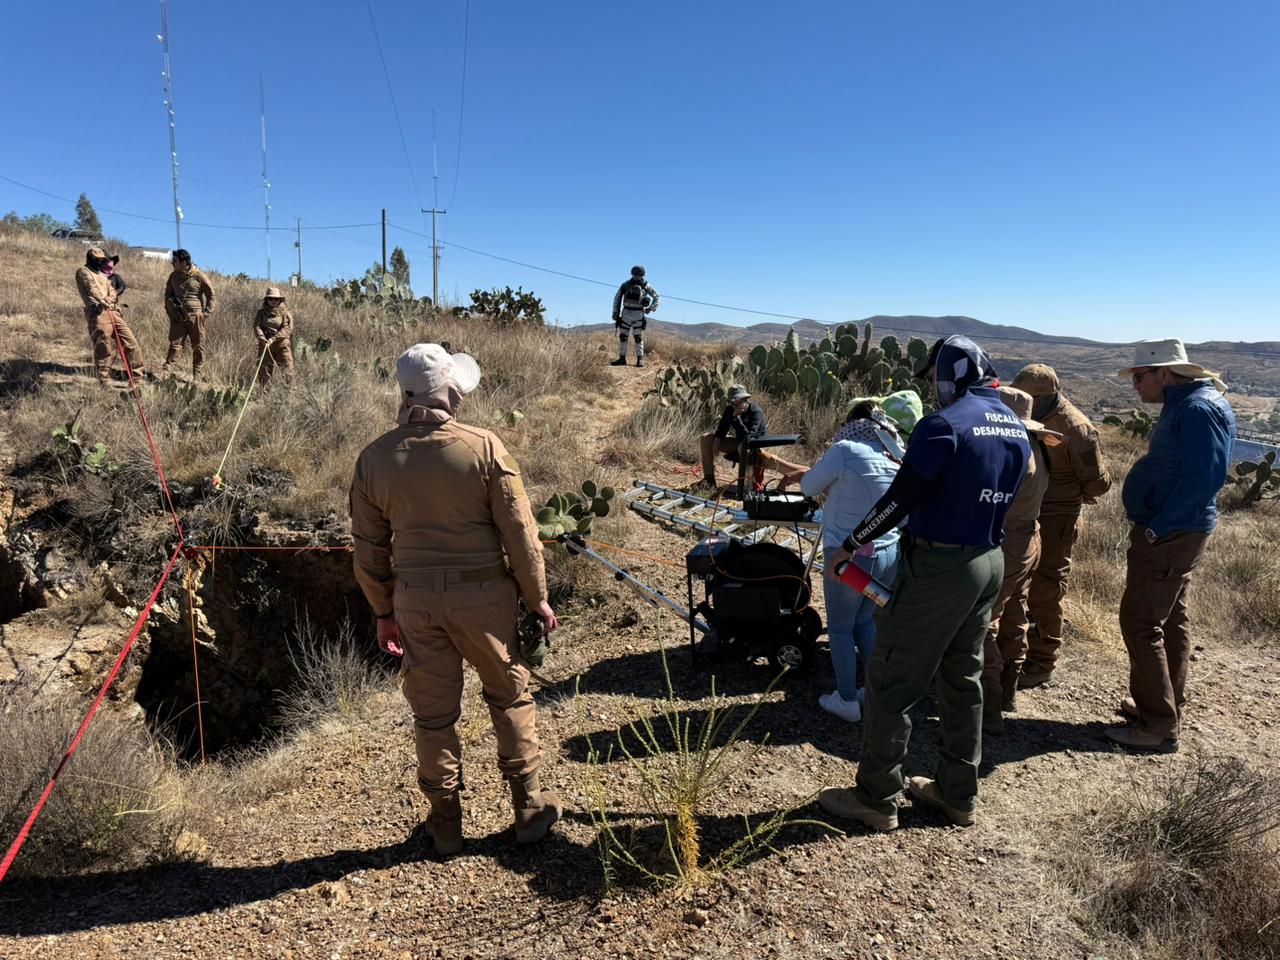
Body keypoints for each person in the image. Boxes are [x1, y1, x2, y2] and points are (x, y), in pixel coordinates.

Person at [349, 343, 562, 855]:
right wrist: (537, 598)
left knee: (433, 716)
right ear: (447, 391)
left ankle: (445, 823)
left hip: (415, 602)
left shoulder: (374, 458)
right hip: (484, 597)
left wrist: (383, 611)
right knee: (509, 697)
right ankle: (529, 810)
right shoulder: (484, 447)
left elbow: (368, 547)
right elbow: (521, 534)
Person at [818, 335, 1030, 831]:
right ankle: (958, 795)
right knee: (962, 677)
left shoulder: (943, 425)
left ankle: (876, 797)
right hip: (989, 560)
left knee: (893, 678)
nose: (933, 389)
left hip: (939, 567)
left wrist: (852, 544)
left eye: (934, 376)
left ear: (951, 372)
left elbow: (901, 497)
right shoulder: (1014, 425)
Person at [1107, 339, 1234, 753]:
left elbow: (1205, 478)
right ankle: (1164, 704)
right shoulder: (1186, 404)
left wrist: (1158, 527)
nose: (1135, 385)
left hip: (1171, 533)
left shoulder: (1196, 409)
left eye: (1139, 376)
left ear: (1164, 373)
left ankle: (1157, 726)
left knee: (1141, 622)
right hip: (1174, 530)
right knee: (1170, 618)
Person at [791, 402, 902, 723]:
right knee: (865, 622)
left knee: (840, 628)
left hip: (851, 560)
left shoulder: (845, 449)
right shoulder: (892, 454)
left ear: (852, 423)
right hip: (888, 556)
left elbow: (809, 487)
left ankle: (846, 700)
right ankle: (876, 691)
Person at [1011, 364, 1112, 688]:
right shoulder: (1023, 412)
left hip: (1056, 517)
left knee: (1047, 587)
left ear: (1044, 396)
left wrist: (1076, 492)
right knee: (1017, 585)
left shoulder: (1076, 428)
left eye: (1029, 397)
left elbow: (1097, 483)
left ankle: (1041, 661)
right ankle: (1016, 651)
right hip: (1025, 511)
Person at [979, 387, 1058, 735]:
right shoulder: (1038, 447)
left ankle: (989, 706)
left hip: (1007, 539)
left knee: (983, 620)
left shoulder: (1015, 451)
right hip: (1029, 537)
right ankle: (1008, 692)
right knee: (1015, 613)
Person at [74, 247, 151, 385]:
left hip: (114, 312)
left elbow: (112, 290)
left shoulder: (102, 275)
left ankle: (137, 376)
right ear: (91, 259)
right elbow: (92, 290)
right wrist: (104, 300)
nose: (101, 262)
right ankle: (104, 378)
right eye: (98, 260)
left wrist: (109, 298)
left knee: (131, 343)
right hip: (98, 313)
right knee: (104, 346)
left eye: (102, 260)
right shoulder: (83, 272)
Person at [162, 248, 216, 378]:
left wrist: (206, 313)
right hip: (178, 316)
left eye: (174, 260)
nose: (172, 263)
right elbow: (168, 294)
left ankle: (198, 376)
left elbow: (211, 295)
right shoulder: (173, 276)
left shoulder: (199, 276)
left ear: (184, 262)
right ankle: (165, 372)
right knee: (175, 344)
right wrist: (172, 309)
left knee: (198, 346)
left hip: (196, 316)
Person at [610, 265, 659, 367]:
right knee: (623, 336)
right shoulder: (626, 285)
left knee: (638, 337)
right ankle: (622, 359)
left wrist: (651, 308)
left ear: (642, 275)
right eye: (635, 274)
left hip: (638, 314)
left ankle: (640, 360)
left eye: (639, 274)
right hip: (627, 313)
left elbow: (656, 297)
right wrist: (615, 313)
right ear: (632, 274)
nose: (637, 276)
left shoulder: (645, 286)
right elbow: (617, 298)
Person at [253, 286, 295, 385]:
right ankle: (265, 396)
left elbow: (287, 328)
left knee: (287, 371)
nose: (273, 301)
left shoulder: (285, 312)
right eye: (270, 298)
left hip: (282, 345)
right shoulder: (261, 313)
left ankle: (289, 395)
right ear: (266, 300)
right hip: (265, 345)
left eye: (276, 299)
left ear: (279, 300)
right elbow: (257, 326)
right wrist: (262, 338)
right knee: (264, 372)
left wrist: (274, 338)